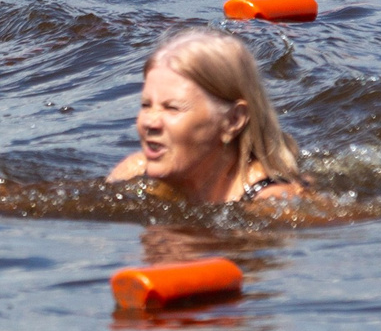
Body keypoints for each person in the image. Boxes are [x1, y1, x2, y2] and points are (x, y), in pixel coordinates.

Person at [107, 28, 305, 207]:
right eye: (146, 105)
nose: (151, 122)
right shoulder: (132, 171)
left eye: (172, 108)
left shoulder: (272, 203)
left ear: (233, 120)